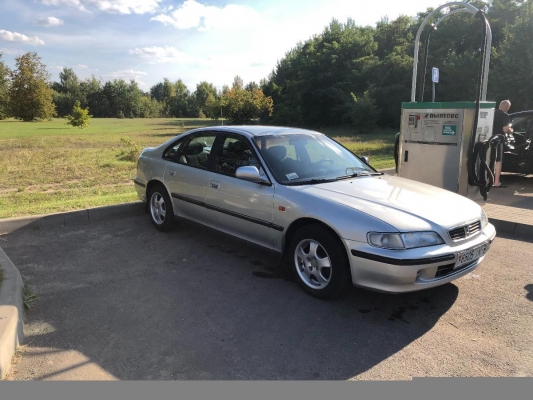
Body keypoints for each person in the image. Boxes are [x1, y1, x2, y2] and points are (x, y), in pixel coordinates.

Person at [491, 100, 513, 187]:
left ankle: (488, 179)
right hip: (498, 140)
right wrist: (511, 130)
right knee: (498, 161)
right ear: (507, 107)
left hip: (489, 140)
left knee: (490, 159)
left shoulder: (492, 114)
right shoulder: (505, 115)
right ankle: (496, 182)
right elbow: (505, 129)